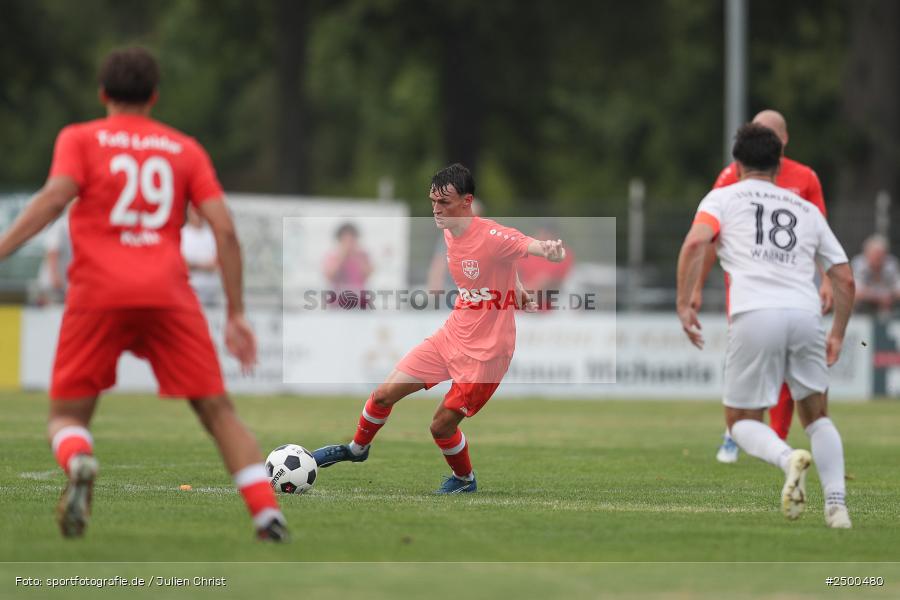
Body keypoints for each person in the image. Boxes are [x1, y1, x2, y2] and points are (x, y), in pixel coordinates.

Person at [0, 47, 288, 541]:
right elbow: (224, 230)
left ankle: (80, 460)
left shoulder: (80, 138)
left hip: (97, 294)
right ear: (155, 96)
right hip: (167, 294)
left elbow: (53, 200)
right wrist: (236, 313)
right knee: (219, 412)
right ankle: (266, 514)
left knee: (66, 417)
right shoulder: (184, 149)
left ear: (102, 93)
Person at [312, 163, 565, 493]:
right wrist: (516, 289)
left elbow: (521, 246)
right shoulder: (448, 232)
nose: (436, 210)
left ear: (467, 201)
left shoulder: (490, 235)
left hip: (486, 354)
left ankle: (464, 479)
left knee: (440, 426)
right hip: (452, 335)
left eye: (444, 203)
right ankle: (357, 449)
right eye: (433, 202)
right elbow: (502, 264)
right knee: (385, 393)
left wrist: (548, 251)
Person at [676, 123, 855, 528]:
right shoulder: (806, 209)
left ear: (737, 164)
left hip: (756, 313)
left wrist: (684, 302)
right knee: (818, 416)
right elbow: (844, 277)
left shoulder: (722, 197)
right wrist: (839, 332)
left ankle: (787, 458)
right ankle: (838, 507)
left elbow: (693, 244)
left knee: (740, 422)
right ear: (778, 165)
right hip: (805, 314)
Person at [696, 110, 832, 463]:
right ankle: (739, 432)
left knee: (784, 364)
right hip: (749, 287)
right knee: (755, 357)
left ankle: (774, 438)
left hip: (789, 287)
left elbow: (822, 239)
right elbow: (710, 239)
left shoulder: (805, 178)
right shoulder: (729, 179)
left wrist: (827, 279)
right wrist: (697, 286)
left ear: (783, 140)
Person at [516, 221, 574, 311]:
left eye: (547, 232)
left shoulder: (562, 253)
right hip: (522, 303)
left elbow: (552, 283)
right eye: (541, 231)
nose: (543, 235)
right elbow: (515, 276)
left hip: (550, 306)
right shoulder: (525, 251)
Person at [322, 222, 372, 308]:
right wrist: (342, 257)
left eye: (351, 239)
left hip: (359, 303)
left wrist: (356, 256)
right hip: (337, 303)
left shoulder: (363, 256)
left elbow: (368, 273)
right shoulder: (333, 256)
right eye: (345, 239)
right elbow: (329, 276)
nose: (349, 243)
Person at [850, 234, 900, 316]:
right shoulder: (858, 263)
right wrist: (878, 297)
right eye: (875, 254)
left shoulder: (891, 264)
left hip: (888, 303)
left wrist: (889, 296)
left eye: (881, 254)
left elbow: (898, 287)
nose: (878, 257)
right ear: (866, 253)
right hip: (864, 304)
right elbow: (856, 290)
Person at [181, 205, 222, 306]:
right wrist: (204, 265)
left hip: (211, 294)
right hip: (189, 291)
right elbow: (181, 263)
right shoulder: (182, 234)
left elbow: (217, 262)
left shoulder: (213, 235)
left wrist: (193, 264)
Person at [36, 211, 72, 305]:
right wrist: (55, 276)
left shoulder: (73, 223)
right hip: (54, 284)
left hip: (65, 283)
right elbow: (52, 251)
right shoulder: (61, 224)